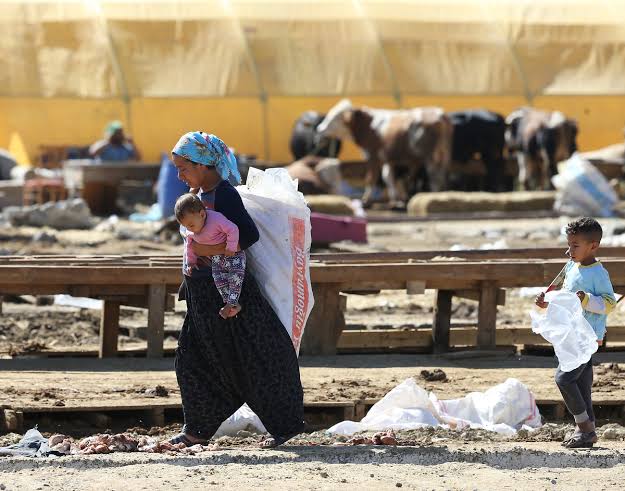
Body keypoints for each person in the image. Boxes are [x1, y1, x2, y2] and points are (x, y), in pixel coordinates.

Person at [169, 131, 305, 449]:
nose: (179, 175)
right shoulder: (198, 195)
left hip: (229, 293)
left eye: (183, 167)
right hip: (202, 295)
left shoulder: (224, 194)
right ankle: (198, 429)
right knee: (194, 358)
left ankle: (286, 425)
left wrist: (209, 251)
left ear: (204, 165)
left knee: (259, 355)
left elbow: (247, 234)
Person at [535, 217, 616, 448]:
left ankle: (583, 428)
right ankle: (587, 430)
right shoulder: (571, 267)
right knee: (581, 385)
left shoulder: (598, 274)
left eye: (575, 246)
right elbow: (566, 301)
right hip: (571, 335)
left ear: (593, 246)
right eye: (569, 244)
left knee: (564, 378)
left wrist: (587, 299)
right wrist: (547, 304)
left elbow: (610, 303)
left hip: (586, 337)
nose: (569, 250)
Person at [175, 192, 245, 319]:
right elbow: (189, 246)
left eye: (191, 225)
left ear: (202, 214)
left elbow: (233, 229)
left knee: (235, 277)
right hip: (216, 257)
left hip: (233, 255)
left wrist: (231, 246)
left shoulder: (216, 219)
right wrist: (190, 262)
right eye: (186, 226)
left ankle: (231, 304)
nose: (189, 229)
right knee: (219, 278)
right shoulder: (191, 231)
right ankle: (233, 303)